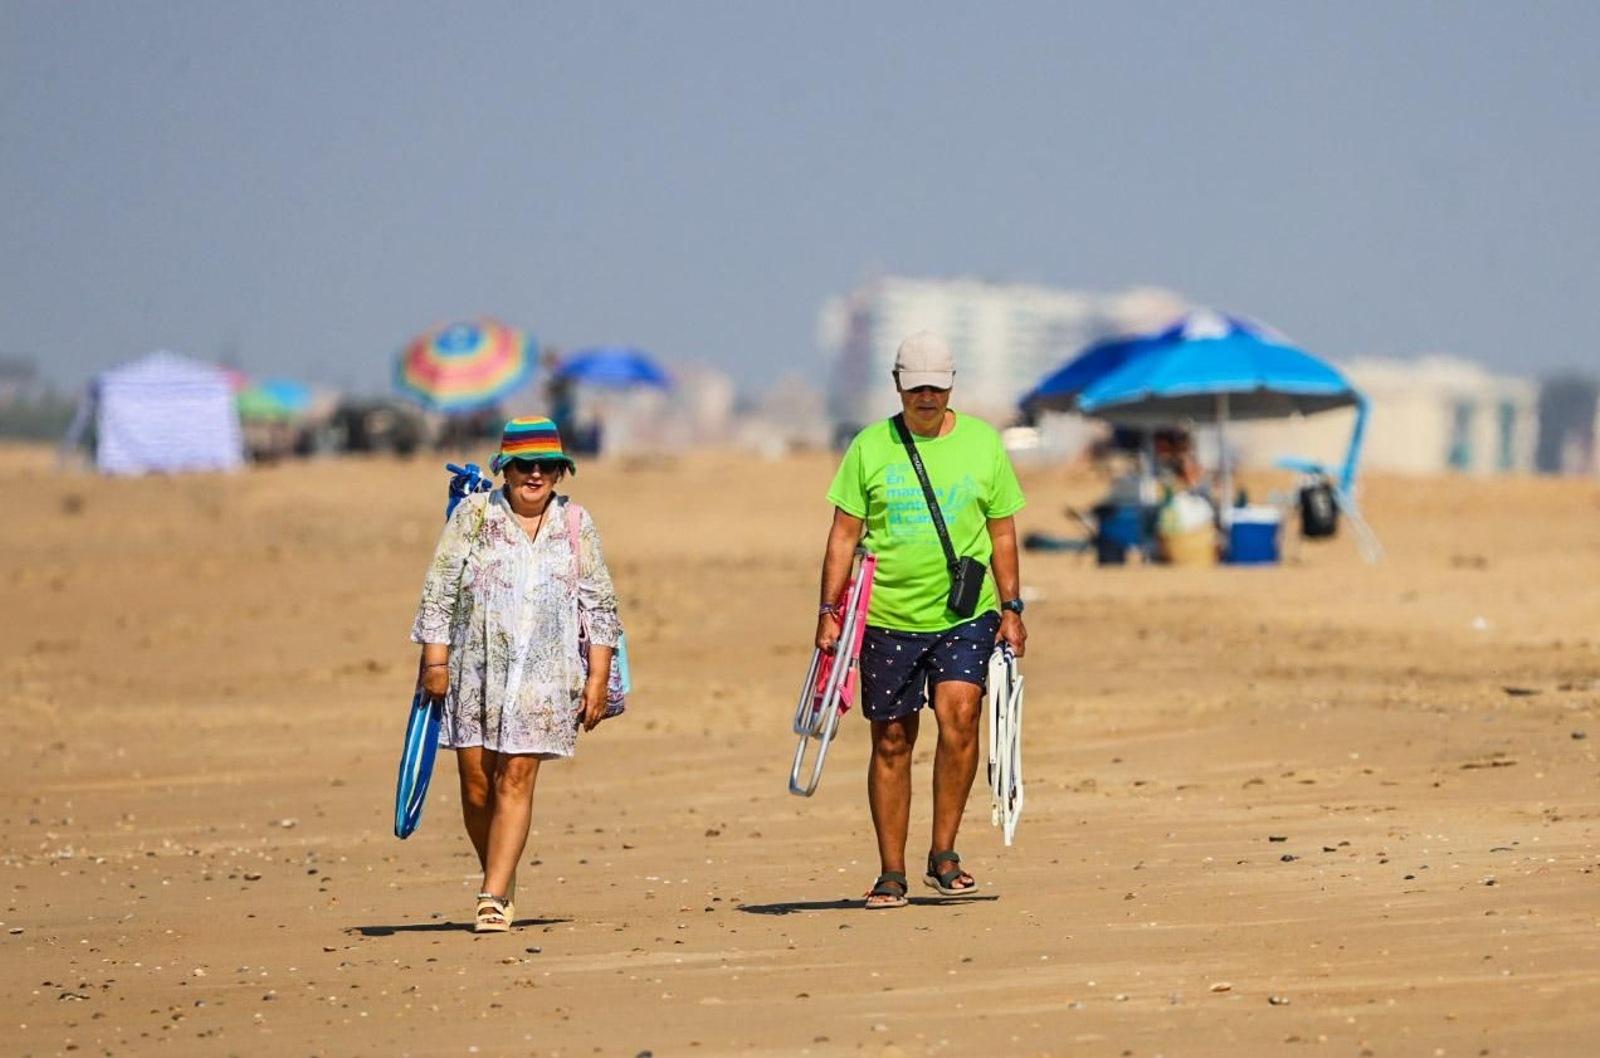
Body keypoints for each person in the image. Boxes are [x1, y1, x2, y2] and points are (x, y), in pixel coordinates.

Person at [815, 331, 1028, 909]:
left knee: (960, 718)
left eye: (936, 387)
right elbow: (843, 534)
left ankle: (944, 853)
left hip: (966, 613)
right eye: (916, 389)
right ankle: (891, 871)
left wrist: (1012, 608)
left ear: (951, 385)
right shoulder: (870, 447)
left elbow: (1003, 529)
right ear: (898, 386)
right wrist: (829, 611)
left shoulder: (983, 444)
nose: (926, 398)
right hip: (885, 615)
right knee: (891, 740)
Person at [411, 416, 621, 933]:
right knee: (477, 787)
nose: (535, 475)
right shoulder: (473, 516)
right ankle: (502, 873)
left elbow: (600, 605)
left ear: (560, 472)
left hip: (547, 678)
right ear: (504, 469)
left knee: (517, 777)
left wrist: (597, 679)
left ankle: (491, 895)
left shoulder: (576, 523)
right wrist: (435, 663)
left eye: (546, 466)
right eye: (524, 466)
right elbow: (439, 592)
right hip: (474, 673)